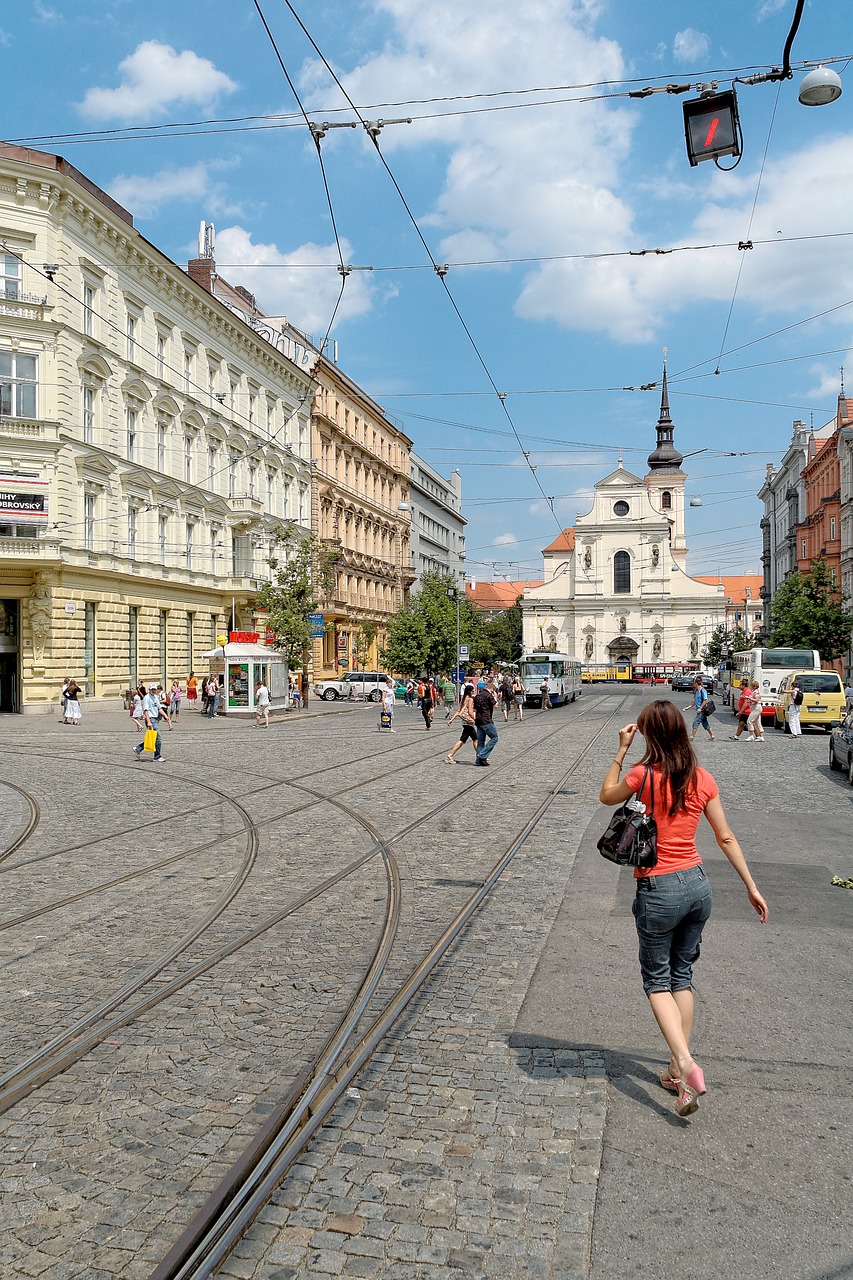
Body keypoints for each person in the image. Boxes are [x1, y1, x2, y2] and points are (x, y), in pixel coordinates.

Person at [599, 701, 768, 1118]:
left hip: (658, 889)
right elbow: (725, 838)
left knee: (657, 981)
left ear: (649, 736)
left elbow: (606, 796)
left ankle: (688, 1065)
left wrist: (621, 750)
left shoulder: (643, 775)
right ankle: (675, 1067)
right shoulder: (702, 777)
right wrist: (751, 886)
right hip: (697, 886)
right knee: (682, 977)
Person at [445, 683, 477, 763]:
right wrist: (476, 719)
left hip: (464, 722)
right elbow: (470, 711)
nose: (473, 692)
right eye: (472, 691)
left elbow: (459, 711)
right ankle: (450, 755)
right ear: (469, 691)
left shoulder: (463, 699)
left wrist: (451, 720)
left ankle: (481, 755)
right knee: (472, 740)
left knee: (471, 739)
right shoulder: (469, 699)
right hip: (469, 722)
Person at [134, 684, 163, 761]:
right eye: (152, 689)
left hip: (155, 719)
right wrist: (149, 721)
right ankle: (157, 756)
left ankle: (138, 748)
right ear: (149, 690)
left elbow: (159, 708)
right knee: (158, 738)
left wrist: (166, 717)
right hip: (150, 719)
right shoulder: (147, 698)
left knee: (153, 738)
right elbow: (146, 710)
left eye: (154, 689)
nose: (153, 691)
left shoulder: (155, 697)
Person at [473, 682, 498, 766]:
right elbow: (496, 705)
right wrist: (495, 697)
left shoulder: (478, 695)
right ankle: (482, 755)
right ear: (492, 690)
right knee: (494, 737)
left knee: (480, 741)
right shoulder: (488, 695)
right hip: (486, 720)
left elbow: (475, 709)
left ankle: (478, 761)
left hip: (478, 720)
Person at [684, 676, 715, 742]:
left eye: (694, 683)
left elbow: (705, 700)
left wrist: (700, 708)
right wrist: (688, 707)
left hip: (702, 710)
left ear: (696, 683)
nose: (693, 684)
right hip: (700, 710)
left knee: (696, 722)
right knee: (705, 723)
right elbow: (695, 701)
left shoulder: (703, 690)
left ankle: (692, 737)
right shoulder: (697, 691)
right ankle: (712, 735)